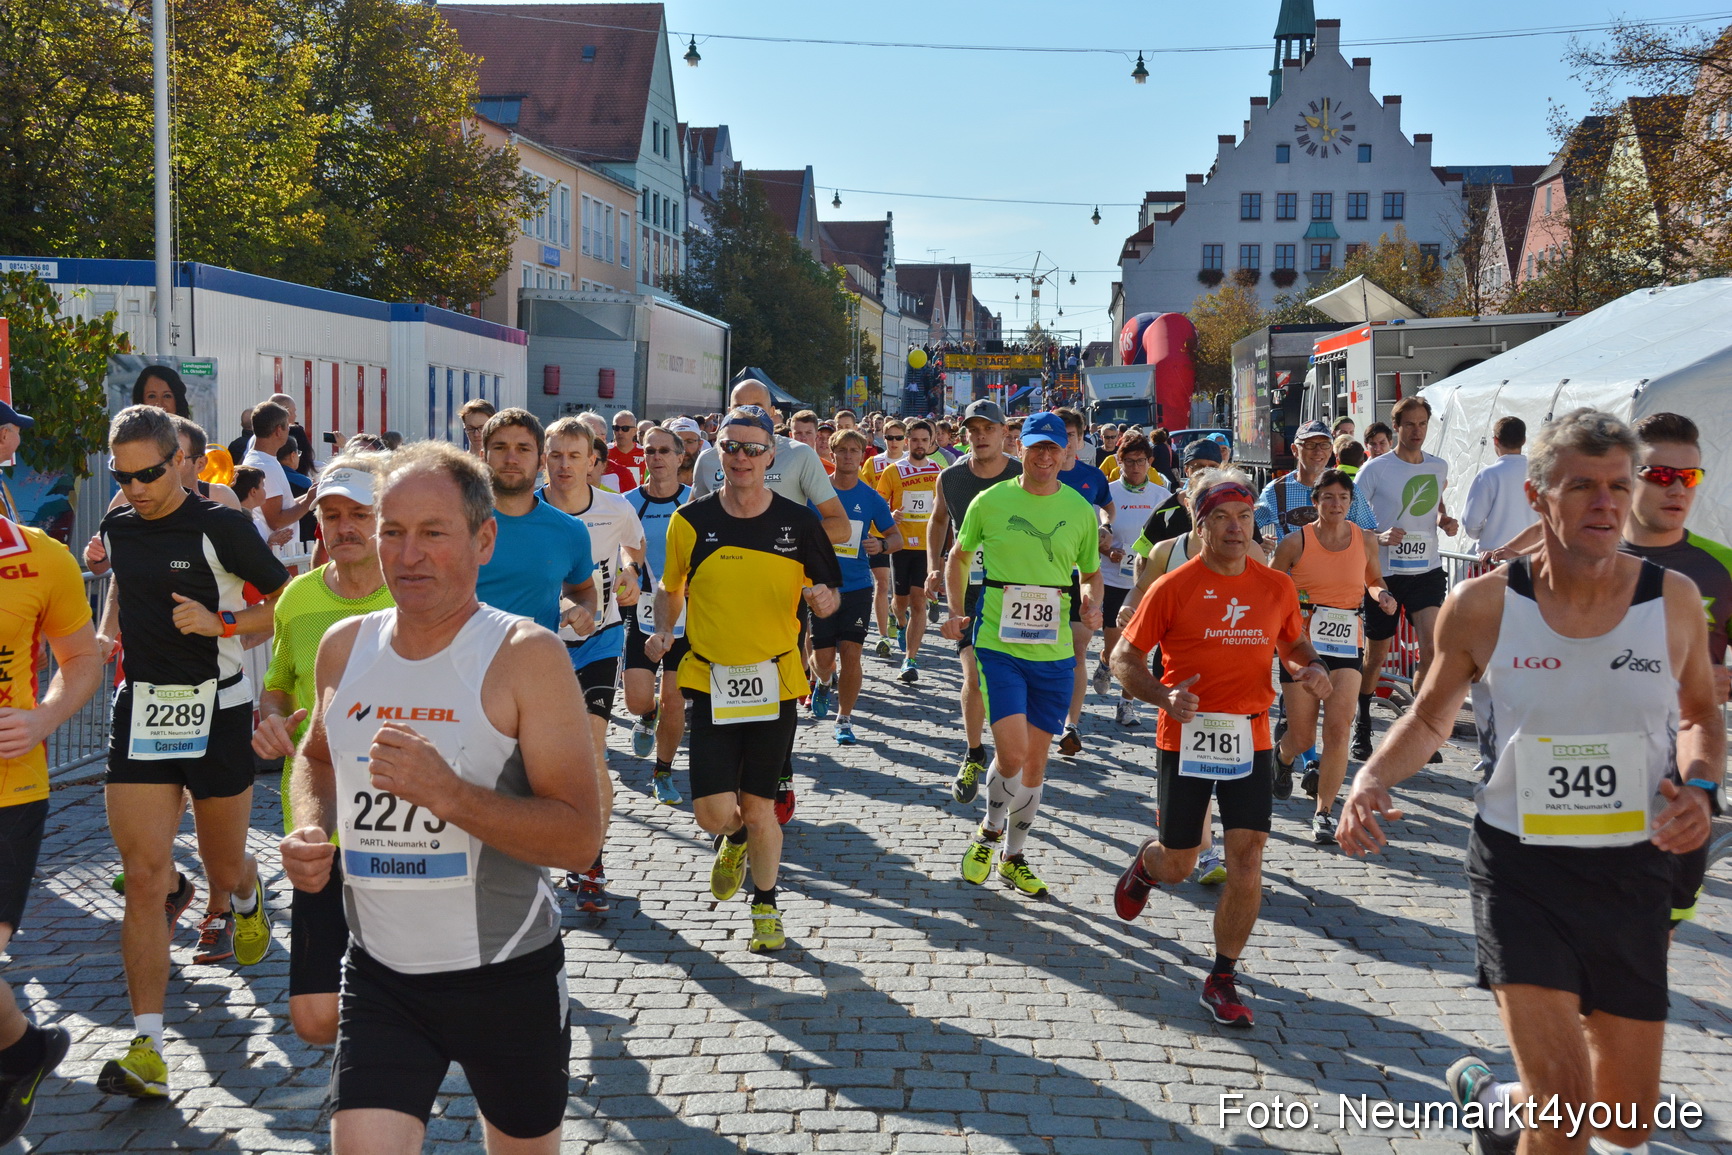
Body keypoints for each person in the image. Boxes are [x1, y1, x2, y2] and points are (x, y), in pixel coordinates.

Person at [1337, 408, 1723, 1155]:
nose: (1607, 503)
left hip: (1635, 870)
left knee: (1624, 1124)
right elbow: (1427, 718)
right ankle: (1523, 1105)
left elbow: (1702, 715)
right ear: (1539, 496)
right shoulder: (1482, 605)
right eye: (1583, 485)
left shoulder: (1670, 600)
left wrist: (1701, 788)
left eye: (1620, 484)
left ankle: (1492, 1099)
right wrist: (1371, 776)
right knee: (1568, 1108)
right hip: (1523, 869)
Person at [279, 441, 603, 1155]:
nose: (408, 553)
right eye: (392, 530)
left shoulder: (526, 655)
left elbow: (581, 837)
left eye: (433, 533)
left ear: (484, 539)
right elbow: (320, 756)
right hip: (382, 977)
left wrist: (450, 795)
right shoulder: (344, 646)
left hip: (506, 976)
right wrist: (312, 828)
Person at [95, 406, 290, 1098]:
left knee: (223, 863)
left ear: (179, 459)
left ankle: (243, 895)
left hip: (219, 706)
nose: (136, 487)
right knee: (145, 876)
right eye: (123, 476)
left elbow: (287, 599)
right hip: (143, 708)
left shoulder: (220, 526)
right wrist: (101, 640)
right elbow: (121, 582)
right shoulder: (118, 523)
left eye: (148, 472)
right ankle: (147, 1043)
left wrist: (223, 621)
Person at [1491, 411, 1732, 938]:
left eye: (1689, 477)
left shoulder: (1719, 567)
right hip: (1555, 798)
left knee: (1639, 968)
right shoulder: (1573, 551)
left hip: (1664, 797)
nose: (1677, 489)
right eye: (1660, 475)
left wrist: (1715, 684)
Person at [1110, 469, 1331, 1028]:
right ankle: (1148, 863)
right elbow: (1123, 660)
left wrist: (1312, 667)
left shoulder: (1275, 586)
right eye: (1222, 518)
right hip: (1185, 735)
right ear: (1201, 524)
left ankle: (1222, 975)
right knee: (1181, 864)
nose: (1237, 529)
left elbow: (1295, 642)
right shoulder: (1172, 587)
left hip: (1251, 735)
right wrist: (1163, 696)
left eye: (1245, 516)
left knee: (1248, 857)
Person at [646, 406, 841, 953]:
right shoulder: (692, 521)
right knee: (711, 810)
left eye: (753, 449)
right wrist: (664, 627)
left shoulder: (799, 524)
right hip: (710, 681)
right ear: (716, 451)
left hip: (774, 681)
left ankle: (766, 905)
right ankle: (729, 840)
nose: (741, 458)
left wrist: (826, 600)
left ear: (771, 456)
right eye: (731, 447)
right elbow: (670, 586)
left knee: (759, 806)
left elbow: (830, 591)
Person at [251, 457, 394, 1046]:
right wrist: (272, 720)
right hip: (318, 810)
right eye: (331, 515)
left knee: (394, 985)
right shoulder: (298, 598)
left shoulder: (413, 593)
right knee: (312, 1018)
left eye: (359, 514)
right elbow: (279, 681)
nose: (343, 527)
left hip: (402, 817)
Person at [940, 411, 1102, 899]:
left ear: (1067, 454)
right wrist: (954, 611)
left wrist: (1092, 600)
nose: (1046, 457)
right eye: (1036, 448)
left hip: (1052, 653)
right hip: (998, 645)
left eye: (1054, 449)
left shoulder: (1078, 509)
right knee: (1010, 754)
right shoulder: (990, 502)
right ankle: (989, 832)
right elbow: (958, 556)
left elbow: (1091, 572)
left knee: (1035, 765)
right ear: (1022, 448)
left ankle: (1014, 856)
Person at [689, 380, 849, 821]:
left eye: (759, 408)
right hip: (722, 594)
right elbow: (691, 527)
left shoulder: (799, 456)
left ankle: (777, 775)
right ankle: (731, 794)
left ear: (775, 416)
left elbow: (836, 524)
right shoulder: (710, 458)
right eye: (740, 407)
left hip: (782, 591)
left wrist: (796, 545)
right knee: (724, 692)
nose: (749, 416)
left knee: (772, 690)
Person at [0, 504, 101, 1143]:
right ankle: (22, 1051)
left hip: (11, 793)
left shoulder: (42, 557)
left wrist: (42, 720)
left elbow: (82, 662)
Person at [540, 417, 645, 911]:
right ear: (545, 457)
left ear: (592, 462)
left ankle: (589, 860)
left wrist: (628, 574)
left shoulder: (615, 507)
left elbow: (635, 553)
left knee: (592, 749)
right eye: (555, 455)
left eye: (574, 456)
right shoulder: (525, 510)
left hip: (599, 640)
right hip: (536, 646)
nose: (564, 465)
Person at [1268, 469, 1395, 842]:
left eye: (1342, 498)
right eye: (1328, 497)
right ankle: (1283, 757)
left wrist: (1381, 596)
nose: (1336, 504)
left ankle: (1323, 813)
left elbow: (1373, 579)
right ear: (1315, 502)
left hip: (1347, 643)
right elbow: (1271, 588)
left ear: (1351, 503)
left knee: (1338, 730)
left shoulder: (1365, 539)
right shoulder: (1295, 543)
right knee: (1303, 734)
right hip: (1302, 645)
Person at [925, 400, 1023, 800]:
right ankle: (974, 752)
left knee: (1016, 677)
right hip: (969, 587)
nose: (980, 437)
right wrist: (934, 565)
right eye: (973, 430)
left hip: (1018, 590)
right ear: (965, 434)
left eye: (988, 429)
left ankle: (1012, 752)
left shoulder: (1022, 474)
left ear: (1003, 433)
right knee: (973, 674)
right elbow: (938, 520)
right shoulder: (950, 478)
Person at [1353, 397, 1459, 759]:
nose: (1417, 431)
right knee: (1376, 656)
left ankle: (1418, 726)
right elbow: (1352, 520)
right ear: (1395, 427)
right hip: (1384, 575)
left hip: (1425, 570)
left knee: (1432, 648)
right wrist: (1379, 536)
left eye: (1423, 424)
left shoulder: (1438, 466)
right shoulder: (1375, 469)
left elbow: (1435, 505)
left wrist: (1445, 520)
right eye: (1410, 424)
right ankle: (1363, 721)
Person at [814, 429, 901, 743]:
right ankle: (823, 683)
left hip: (857, 587)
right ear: (833, 453)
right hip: (821, 588)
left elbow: (896, 538)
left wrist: (881, 545)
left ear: (862, 454)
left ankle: (845, 718)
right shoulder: (817, 492)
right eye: (843, 450)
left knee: (852, 654)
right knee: (823, 660)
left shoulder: (870, 497)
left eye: (855, 450)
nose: (849, 455)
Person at [622, 427, 692, 804]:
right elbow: (623, 549)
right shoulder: (628, 502)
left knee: (675, 699)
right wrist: (629, 571)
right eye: (650, 450)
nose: (656, 457)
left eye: (665, 450)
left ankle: (663, 772)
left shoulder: (695, 502)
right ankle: (646, 716)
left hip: (686, 607)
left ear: (681, 457)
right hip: (644, 605)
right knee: (636, 698)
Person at [1053, 408, 1115, 757]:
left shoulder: (1092, 476)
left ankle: (1070, 724)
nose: (1064, 443)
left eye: (1070, 436)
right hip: (1041, 576)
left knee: (1077, 648)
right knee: (1043, 649)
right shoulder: (1033, 475)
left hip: (1083, 572)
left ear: (1079, 440)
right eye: (1057, 436)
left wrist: (1105, 527)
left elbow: (1108, 507)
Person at [1098, 433, 1170, 727]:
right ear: (1120, 461)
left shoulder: (1161, 495)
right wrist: (1106, 549)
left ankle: (1126, 704)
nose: (1135, 467)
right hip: (1112, 578)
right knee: (1115, 646)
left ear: (1149, 462)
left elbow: (1170, 538)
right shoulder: (1108, 493)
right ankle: (1104, 661)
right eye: (1129, 461)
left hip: (1145, 581)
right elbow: (1093, 533)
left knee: (1136, 649)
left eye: (1141, 461)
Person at [875, 419, 943, 683]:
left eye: (924, 440)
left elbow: (944, 513)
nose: (919, 445)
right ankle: (900, 625)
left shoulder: (938, 471)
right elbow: (878, 505)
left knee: (918, 602)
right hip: (901, 545)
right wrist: (890, 515)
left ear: (931, 442)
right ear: (907, 441)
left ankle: (910, 659)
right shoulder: (893, 471)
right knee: (900, 602)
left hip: (926, 547)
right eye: (914, 440)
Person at [1255, 420, 1378, 548]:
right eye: (1310, 444)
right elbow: (1248, 527)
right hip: (1291, 567)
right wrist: (1259, 542)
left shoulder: (1347, 487)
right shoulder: (1276, 490)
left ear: (1330, 450)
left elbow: (1367, 532)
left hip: (1336, 566)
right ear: (1294, 450)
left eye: (1324, 445)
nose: (1318, 451)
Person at [1463, 416, 1538, 555]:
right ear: (1524, 440)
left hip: (1493, 558)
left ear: (1496, 440)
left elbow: (1471, 522)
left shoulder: (1487, 475)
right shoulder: (1540, 474)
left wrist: (1487, 532)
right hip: (1531, 559)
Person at [241, 402, 320, 533]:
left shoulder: (263, 460)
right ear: (278, 430)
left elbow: (283, 506)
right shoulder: (265, 466)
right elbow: (276, 521)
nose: (289, 432)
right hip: (278, 551)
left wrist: (310, 495)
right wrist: (309, 500)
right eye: (287, 427)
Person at [606, 408, 645, 492]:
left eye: (625, 428)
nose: (620, 432)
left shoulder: (645, 454)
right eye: (616, 428)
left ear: (634, 431)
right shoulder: (605, 453)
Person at [789, 410, 835, 475]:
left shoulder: (830, 470)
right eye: (798, 433)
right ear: (791, 436)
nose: (803, 438)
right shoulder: (780, 466)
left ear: (816, 435)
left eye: (808, 433)